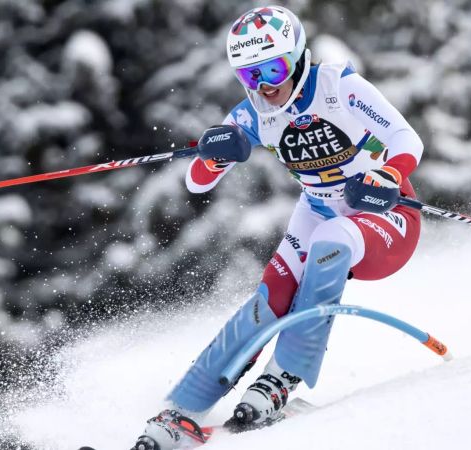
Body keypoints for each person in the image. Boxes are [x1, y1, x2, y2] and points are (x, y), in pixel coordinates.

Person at [134, 6, 424, 449]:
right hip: (320, 210)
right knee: (272, 293)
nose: (265, 86)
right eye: (251, 76)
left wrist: (386, 175)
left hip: (387, 217)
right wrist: (214, 155)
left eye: (273, 69)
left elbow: (407, 139)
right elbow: (196, 182)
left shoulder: (336, 86)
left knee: (331, 239)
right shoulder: (252, 114)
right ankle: (183, 408)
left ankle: (282, 377)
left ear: (298, 57)